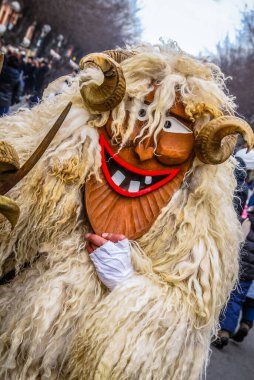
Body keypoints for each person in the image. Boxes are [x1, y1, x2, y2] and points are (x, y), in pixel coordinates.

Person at [0, 43, 253, 380]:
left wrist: (131, 287)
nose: (146, 149)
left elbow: (185, 327)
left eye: (173, 129)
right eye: (140, 116)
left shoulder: (196, 228)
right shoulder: (52, 165)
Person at [214, 205, 254, 348]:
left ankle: (224, 331)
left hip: (240, 268)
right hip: (251, 273)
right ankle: (246, 323)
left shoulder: (248, 222)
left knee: (232, 298)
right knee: (242, 299)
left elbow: (238, 242)